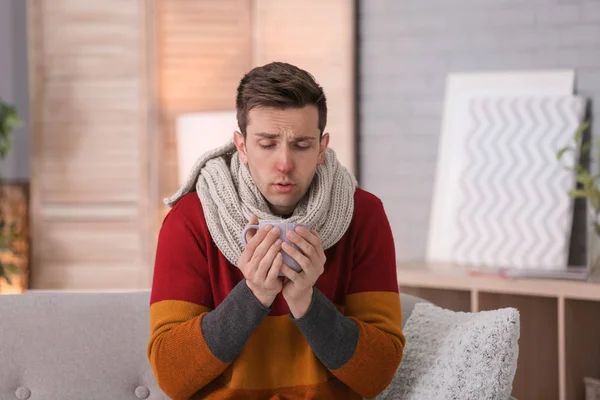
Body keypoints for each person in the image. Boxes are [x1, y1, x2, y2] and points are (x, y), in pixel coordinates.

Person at [148, 61, 405, 399]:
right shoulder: (191, 219)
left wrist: (307, 302)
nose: (284, 163)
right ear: (241, 146)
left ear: (322, 147)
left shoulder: (363, 215)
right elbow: (171, 375)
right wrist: (253, 295)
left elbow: (378, 374)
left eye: (301, 145)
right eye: (267, 144)